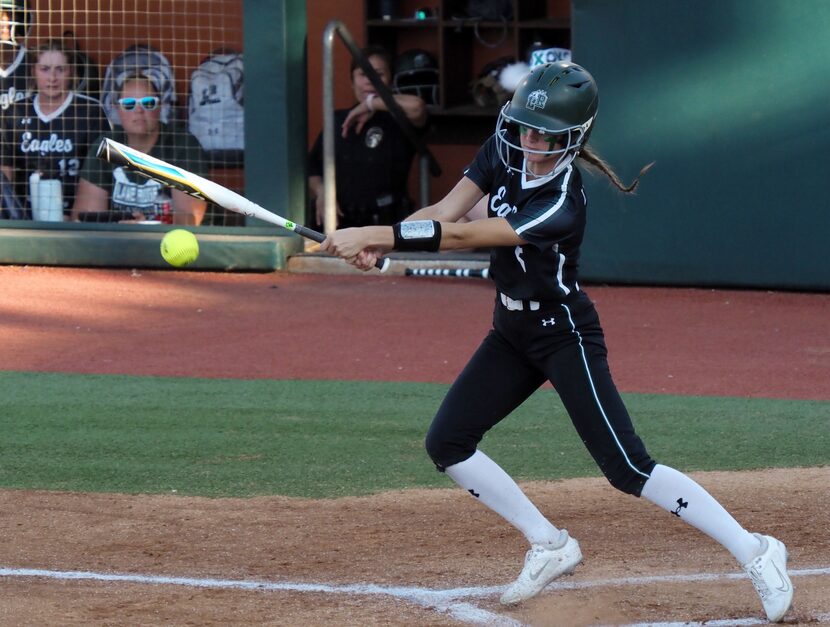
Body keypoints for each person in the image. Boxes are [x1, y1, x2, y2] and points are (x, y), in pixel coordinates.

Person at [321, 61, 793, 623]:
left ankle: (757, 550)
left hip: (563, 333)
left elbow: (468, 234)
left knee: (628, 468)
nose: (529, 141)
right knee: (448, 442)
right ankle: (549, 544)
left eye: (543, 133)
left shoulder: (561, 203)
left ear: (574, 140)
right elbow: (444, 213)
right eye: (523, 127)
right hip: (510, 329)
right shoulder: (504, 146)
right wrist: (385, 249)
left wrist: (375, 232)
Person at [307, 45, 427, 230]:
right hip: (340, 224)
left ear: (390, 80)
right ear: (352, 82)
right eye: (363, 74)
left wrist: (370, 104)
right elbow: (312, 168)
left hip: (385, 225)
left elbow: (417, 107)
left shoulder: (399, 119)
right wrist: (322, 192)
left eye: (378, 74)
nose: (370, 81)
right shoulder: (338, 119)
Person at [72, 73, 207, 224]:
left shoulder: (182, 145)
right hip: (114, 242)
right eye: (129, 104)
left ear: (160, 107)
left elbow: (189, 220)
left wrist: (145, 227)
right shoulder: (108, 146)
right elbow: (86, 218)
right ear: (117, 109)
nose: (138, 110)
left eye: (148, 102)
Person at [0, 39, 110, 218]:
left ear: (71, 71)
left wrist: (77, 217)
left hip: (76, 219)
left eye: (60, 69)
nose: (52, 78)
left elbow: (102, 172)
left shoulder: (90, 111)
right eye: (45, 69)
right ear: (33, 71)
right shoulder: (15, 111)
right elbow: (5, 173)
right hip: (24, 219)